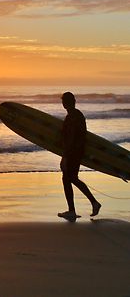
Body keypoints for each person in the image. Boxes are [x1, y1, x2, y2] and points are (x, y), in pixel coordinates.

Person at [58, 92, 101, 221]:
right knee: (70, 178)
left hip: (73, 153)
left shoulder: (72, 117)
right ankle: (91, 204)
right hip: (77, 152)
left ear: (67, 102)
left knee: (69, 178)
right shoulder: (77, 114)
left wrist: (65, 157)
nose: (63, 103)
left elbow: (71, 138)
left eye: (64, 101)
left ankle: (79, 208)